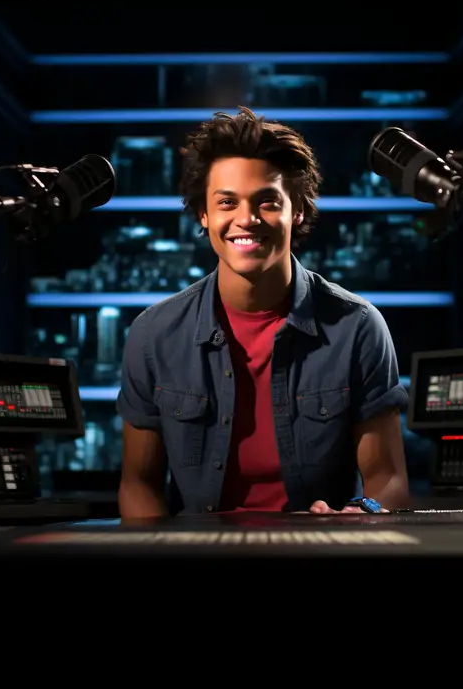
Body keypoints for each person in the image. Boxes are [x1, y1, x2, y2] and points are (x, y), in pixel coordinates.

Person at [117, 106, 409, 517]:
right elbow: (139, 483)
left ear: (298, 210)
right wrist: (159, 547)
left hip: (318, 548)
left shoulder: (357, 327)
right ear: (204, 213)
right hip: (196, 548)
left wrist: (364, 513)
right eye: (227, 202)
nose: (247, 219)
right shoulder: (153, 334)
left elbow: (388, 478)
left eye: (267, 202)